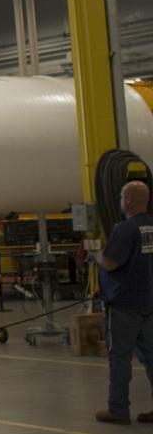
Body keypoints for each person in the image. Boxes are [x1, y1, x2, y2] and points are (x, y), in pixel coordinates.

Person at [96, 181, 153, 424]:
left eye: (121, 197)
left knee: (119, 357)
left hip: (124, 305)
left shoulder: (126, 229)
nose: (119, 201)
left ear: (129, 200)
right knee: (151, 357)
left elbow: (111, 263)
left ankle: (118, 409)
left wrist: (97, 256)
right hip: (149, 302)